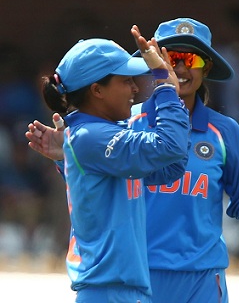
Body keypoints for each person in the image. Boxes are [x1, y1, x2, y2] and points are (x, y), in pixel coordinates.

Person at [27, 18, 239, 303]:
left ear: (207, 67)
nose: (178, 67)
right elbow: (98, 183)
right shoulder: (121, 123)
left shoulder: (225, 131)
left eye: (189, 59)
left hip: (201, 275)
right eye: (170, 58)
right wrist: (68, 157)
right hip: (138, 272)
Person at [29, 27, 190, 302]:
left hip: (120, 291)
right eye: (126, 81)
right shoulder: (92, 137)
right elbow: (169, 147)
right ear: (97, 90)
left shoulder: (91, 137)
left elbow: (172, 166)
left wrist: (173, 100)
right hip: (109, 292)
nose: (136, 88)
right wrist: (164, 86)